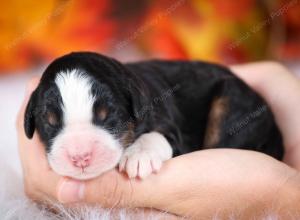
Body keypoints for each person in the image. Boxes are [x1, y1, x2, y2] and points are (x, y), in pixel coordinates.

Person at [16, 61, 300, 219]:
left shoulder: (147, 104)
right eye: (53, 126)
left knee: (229, 104)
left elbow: (169, 134)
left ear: (133, 106)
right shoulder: (126, 90)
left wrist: (281, 191)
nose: (79, 152)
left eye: (105, 118)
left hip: (228, 108)